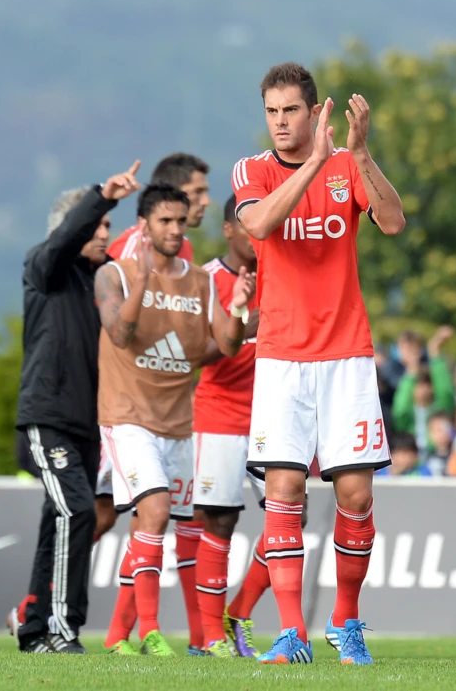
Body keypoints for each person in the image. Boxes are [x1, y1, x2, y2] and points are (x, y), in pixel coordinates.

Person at [232, 62, 405, 665]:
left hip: (346, 355)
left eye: (290, 111)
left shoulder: (346, 166)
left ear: (312, 111)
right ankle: (290, 633)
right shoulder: (253, 170)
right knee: (284, 491)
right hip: (281, 356)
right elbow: (258, 223)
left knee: (355, 497)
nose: (280, 122)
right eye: (271, 112)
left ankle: (344, 621)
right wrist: (313, 163)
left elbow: (392, 222)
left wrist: (359, 154)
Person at [96, 184, 254, 657]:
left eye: (180, 221)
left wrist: (239, 307)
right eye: (165, 220)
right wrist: (144, 283)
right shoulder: (114, 274)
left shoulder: (199, 282)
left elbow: (227, 345)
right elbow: (118, 333)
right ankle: (150, 631)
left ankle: (117, 637)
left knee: (155, 527)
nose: (175, 229)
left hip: (179, 425)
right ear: (143, 225)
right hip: (127, 418)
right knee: (157, 513)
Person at [13, 163, 141, 654]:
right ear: (72, 226)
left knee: (59, 521)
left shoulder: (100, 283)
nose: (104, 232)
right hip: (48, 419)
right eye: (97, 224)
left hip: (88, 424)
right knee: (78, 510)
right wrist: (102, 196)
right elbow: (64, 239)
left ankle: (34, 630)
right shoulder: (43, 268)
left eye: (108, 225)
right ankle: (63, 627)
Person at [188, 195, 262, 658]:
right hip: (220, 415)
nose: (257, 233)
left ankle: (240, 610)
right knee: (220, 519)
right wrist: (245, 323)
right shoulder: (206, 279)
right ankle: (212, 635)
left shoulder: (283, 271)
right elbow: (197, 353)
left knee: (293, 517)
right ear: (229, 230)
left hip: (273, 415)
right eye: (247, 225)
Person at [107, 153, 210, 262]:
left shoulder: (184, 245)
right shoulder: (132, 249)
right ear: (172, 192)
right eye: (198, 192)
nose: (206, 202)